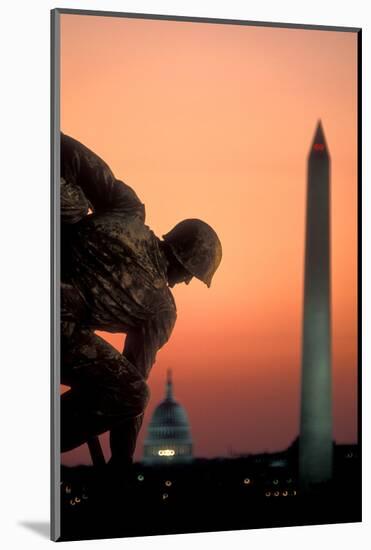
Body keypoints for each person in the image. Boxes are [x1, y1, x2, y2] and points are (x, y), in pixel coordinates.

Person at [60, 132, 222, 468]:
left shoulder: (127, 209)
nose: (188, 282)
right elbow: (133, 381)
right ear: (188, 268)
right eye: (192, 276)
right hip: (59, 326)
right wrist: (121, 458)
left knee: (71, 200)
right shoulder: (162, 309)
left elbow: (81, 159)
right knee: (134, 393)